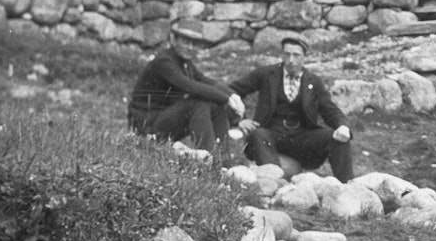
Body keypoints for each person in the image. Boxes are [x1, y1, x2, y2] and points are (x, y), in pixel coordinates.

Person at [229, 35, 354, 182]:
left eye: (296, 55)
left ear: (304, 57)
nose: (291, 60)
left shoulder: (314, 81)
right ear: (282, 54)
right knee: (258, 134)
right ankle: (274, 182)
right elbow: (232, 90)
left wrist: (342, 126)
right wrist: (240, 119)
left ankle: (348, 185)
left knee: (336, 137)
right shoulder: (266, 74)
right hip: (270, 134)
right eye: (287, 54)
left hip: (302, 137)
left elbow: (330, 110)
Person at [128, 18, 244, 160]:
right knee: (197, 103)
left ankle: (223, 159)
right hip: (146, 126)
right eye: (186, 41)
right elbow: (191, 87)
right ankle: (210, 159)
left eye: (194, 43)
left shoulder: (184, 62)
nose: (190, 47)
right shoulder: (164, 61)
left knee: (215, 104)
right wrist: (227, 99)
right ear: (174, 40)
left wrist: (233, 96)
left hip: (162, 121)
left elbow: (205, 81)